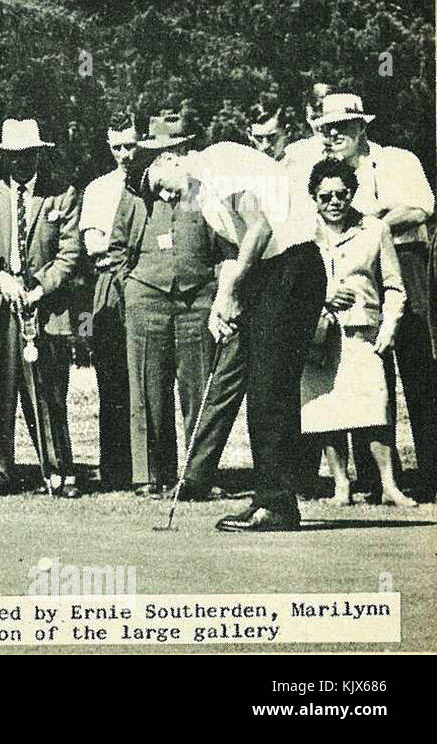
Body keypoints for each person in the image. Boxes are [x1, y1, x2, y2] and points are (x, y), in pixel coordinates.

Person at [144, 141, 324, 531]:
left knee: (270, 388)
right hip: (270, 272)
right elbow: (237, 251)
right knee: (262, 386)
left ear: (174, 160)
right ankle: (269, 496)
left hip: (292, 267)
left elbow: (259, 229)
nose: (163, 195)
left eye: (161, 183)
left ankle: (277, 504)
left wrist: (229, 292)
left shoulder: (215, 162)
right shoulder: (204, 197)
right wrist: (222, 305)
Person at [305, 93, 435, 501]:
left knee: (419, 370)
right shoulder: (327, 176)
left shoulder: (397, 160)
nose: (334, 135)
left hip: (404, 266)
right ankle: (378, 480)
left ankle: (432, 473)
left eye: (343, 127)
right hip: (355, 277)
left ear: (362, 126)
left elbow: (420, 208)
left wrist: (374, 219)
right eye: (327, 129)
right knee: (362, 376)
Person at [112, 115, 231, 496]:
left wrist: (214, 293)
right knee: (147, 391)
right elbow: (115, 250)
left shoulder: (204, 191)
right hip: (146, 299)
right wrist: (130, 286)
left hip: (197, 301)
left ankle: (197, 478)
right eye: (162, 153)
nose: (171, 159)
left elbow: (226, 246)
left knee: (198, 390)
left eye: (177, 151)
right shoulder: (135, 196)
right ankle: (149, 476)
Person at [0, 119, 82, 499]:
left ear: (38, 155)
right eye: (13, 156)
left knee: (47, 394)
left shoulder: (60, 195)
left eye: (28, 155)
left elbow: (69, 255)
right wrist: (2, 279)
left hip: (44, 311)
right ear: (4, 158)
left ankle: (58, 472)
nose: (21, 163)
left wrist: (39, 289)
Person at [300, 158, 413, 507]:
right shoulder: (302, 232)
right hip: (318, 333)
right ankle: (341, 486)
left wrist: (390, 324)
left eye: (341, 194)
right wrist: (322, 296)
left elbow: (394, 285)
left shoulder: (374, 229)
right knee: (330, 411)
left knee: (373, 409)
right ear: (313, 197)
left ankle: (389, 485)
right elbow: (293, 286)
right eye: (325, 196)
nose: (334, 202)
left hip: (363, 332)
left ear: (352, 194)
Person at [78, 112, 138, 490]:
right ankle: (115, 468)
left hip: (144, 283)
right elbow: (92, 243)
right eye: (117, 147)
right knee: (112, 378)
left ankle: (153, 469)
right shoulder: (99, 188)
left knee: (147, 380)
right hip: (109, 286)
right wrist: (122, 247)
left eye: (130, 146)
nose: (124, 154)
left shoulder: (150, 183)